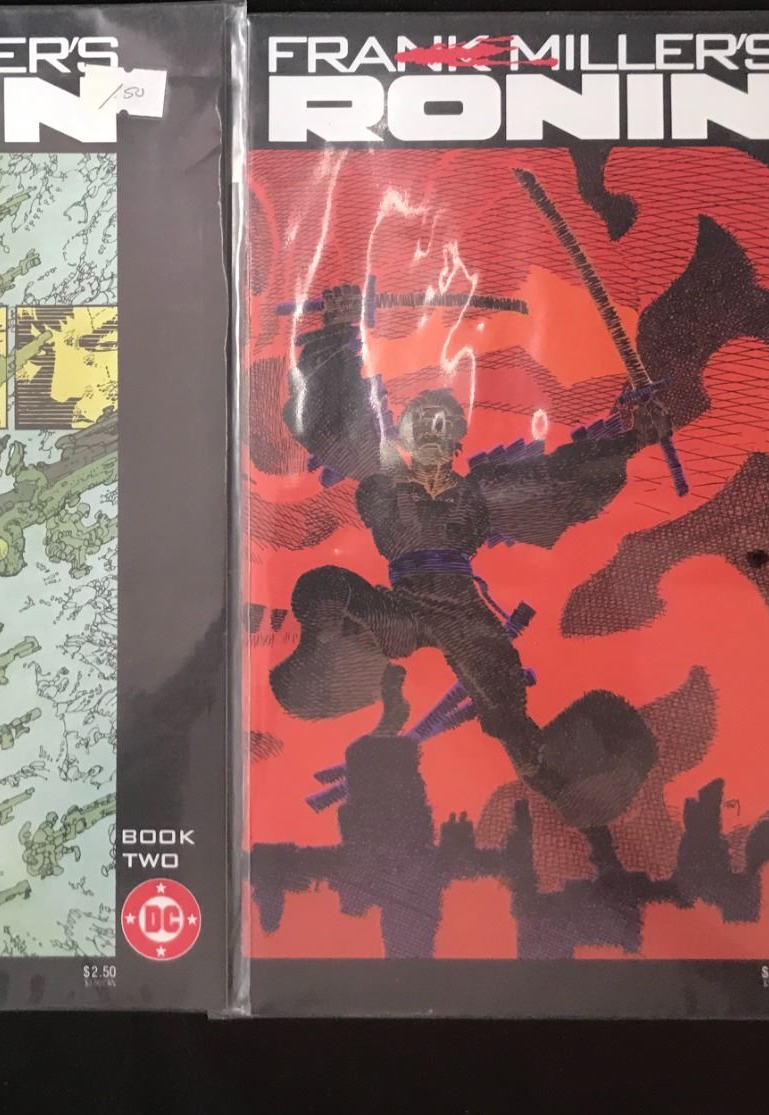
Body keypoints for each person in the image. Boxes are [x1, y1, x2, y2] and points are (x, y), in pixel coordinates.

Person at [271, 282, 669, 825]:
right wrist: (340, 330)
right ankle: (342, 681)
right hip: (404, 606)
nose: (433, 434)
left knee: (505, 700)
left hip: (462, 610)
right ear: (405, 433)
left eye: (444, 427)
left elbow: (558, 477)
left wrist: (632, 437)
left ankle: (564, 787)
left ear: (458, 439)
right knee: (321, 587)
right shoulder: (385, 475)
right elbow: (341, 424)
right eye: (422, 426)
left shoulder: (479, 492)